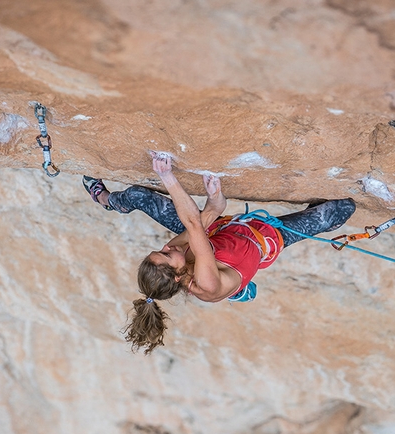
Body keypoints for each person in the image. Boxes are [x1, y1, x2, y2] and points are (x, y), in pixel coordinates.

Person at [83, 151, 356, 354]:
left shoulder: (178, 253)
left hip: (219, 233)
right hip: (262, 241)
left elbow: (211, 213)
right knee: (341, 210)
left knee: (138, 196)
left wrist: (214, 198)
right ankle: (240, 286)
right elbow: (192, 222)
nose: (166, 247)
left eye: (159, 250)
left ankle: (106, 200)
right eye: (165, 255)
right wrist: (167, 177)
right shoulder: (207, 284)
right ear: (178, 276)